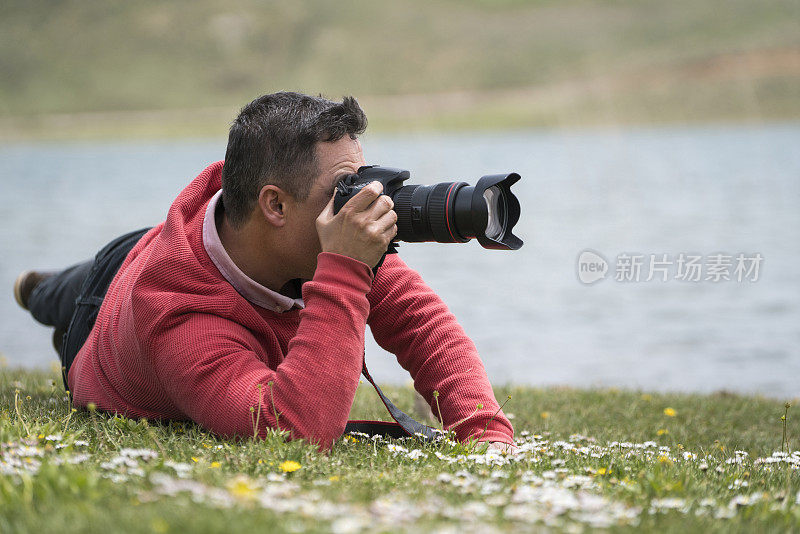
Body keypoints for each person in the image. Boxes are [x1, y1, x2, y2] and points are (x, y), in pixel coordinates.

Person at [13, 92, 515, 453]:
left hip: (165, 245)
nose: (363, 203)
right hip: (103, 311)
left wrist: (486, 433)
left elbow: (423, 326)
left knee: (116, 263)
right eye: (345, 188)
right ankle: (35, 289)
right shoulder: (177, 319)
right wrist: (344, 271)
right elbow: (294, 430)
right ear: (275, 204)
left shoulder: (308, 231)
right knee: (57, 297)